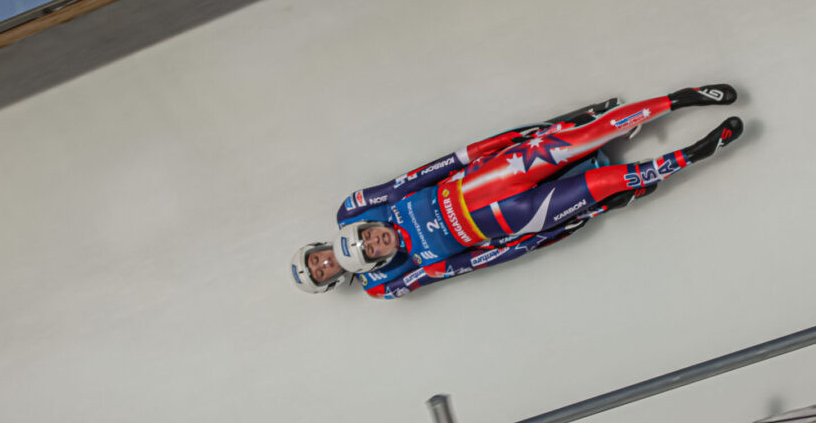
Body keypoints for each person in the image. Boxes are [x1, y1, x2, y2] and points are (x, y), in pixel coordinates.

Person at [293, 83, 742, 298]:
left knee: (591, 135)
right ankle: (694, 154)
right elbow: (471, 264)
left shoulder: (376, 207)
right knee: (607, 182)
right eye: (372, 250)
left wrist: (506, 141)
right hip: (516, 215)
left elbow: (427, 171)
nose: (375, 241)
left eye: (369, 234)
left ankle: (680, 100)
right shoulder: (396, 278)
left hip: (493, 176)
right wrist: (541, 237)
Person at [288, 97, 622, 294]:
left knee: (501, 166)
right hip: (469, 235)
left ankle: (573, 129)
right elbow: (440, 271)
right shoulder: (379, 286)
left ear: (316, 248)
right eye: (320, 273)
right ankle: (594, 190)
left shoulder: (350, 211)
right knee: (525, 225)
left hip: (450, 193)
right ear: (329, 282)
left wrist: (461, 159)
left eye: (316, 260)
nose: (325, 264)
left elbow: (401, 186)